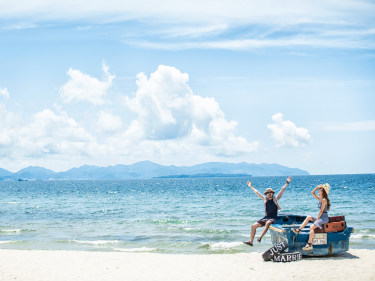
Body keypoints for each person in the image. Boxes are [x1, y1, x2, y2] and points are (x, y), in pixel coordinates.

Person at [243, 176, 292, 247]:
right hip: (266, 217)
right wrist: (251, 186)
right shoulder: (265, 199)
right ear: (266, 194)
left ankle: (260, 237)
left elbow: (282, 190)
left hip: (273, 218)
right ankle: (251, 242)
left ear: (272, 193)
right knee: (253, 226)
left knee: (268, 222)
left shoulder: (276, 199)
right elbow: (257, 192)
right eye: (268, 193)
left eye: (270, 192)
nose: (269, 193)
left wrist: (287, 183)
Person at [291, 183, 331, 251]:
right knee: (309, 217)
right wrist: (317, 187)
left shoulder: (324, 200)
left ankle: (309, 244)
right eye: (319, 190)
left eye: (320, 190)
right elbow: (312, 192)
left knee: (311, 227)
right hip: (321, 217)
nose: (319, 191)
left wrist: (317, 220)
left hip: (324, 218)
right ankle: (299, 230)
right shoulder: (320, 199)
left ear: (323, 191)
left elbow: (321, 211)